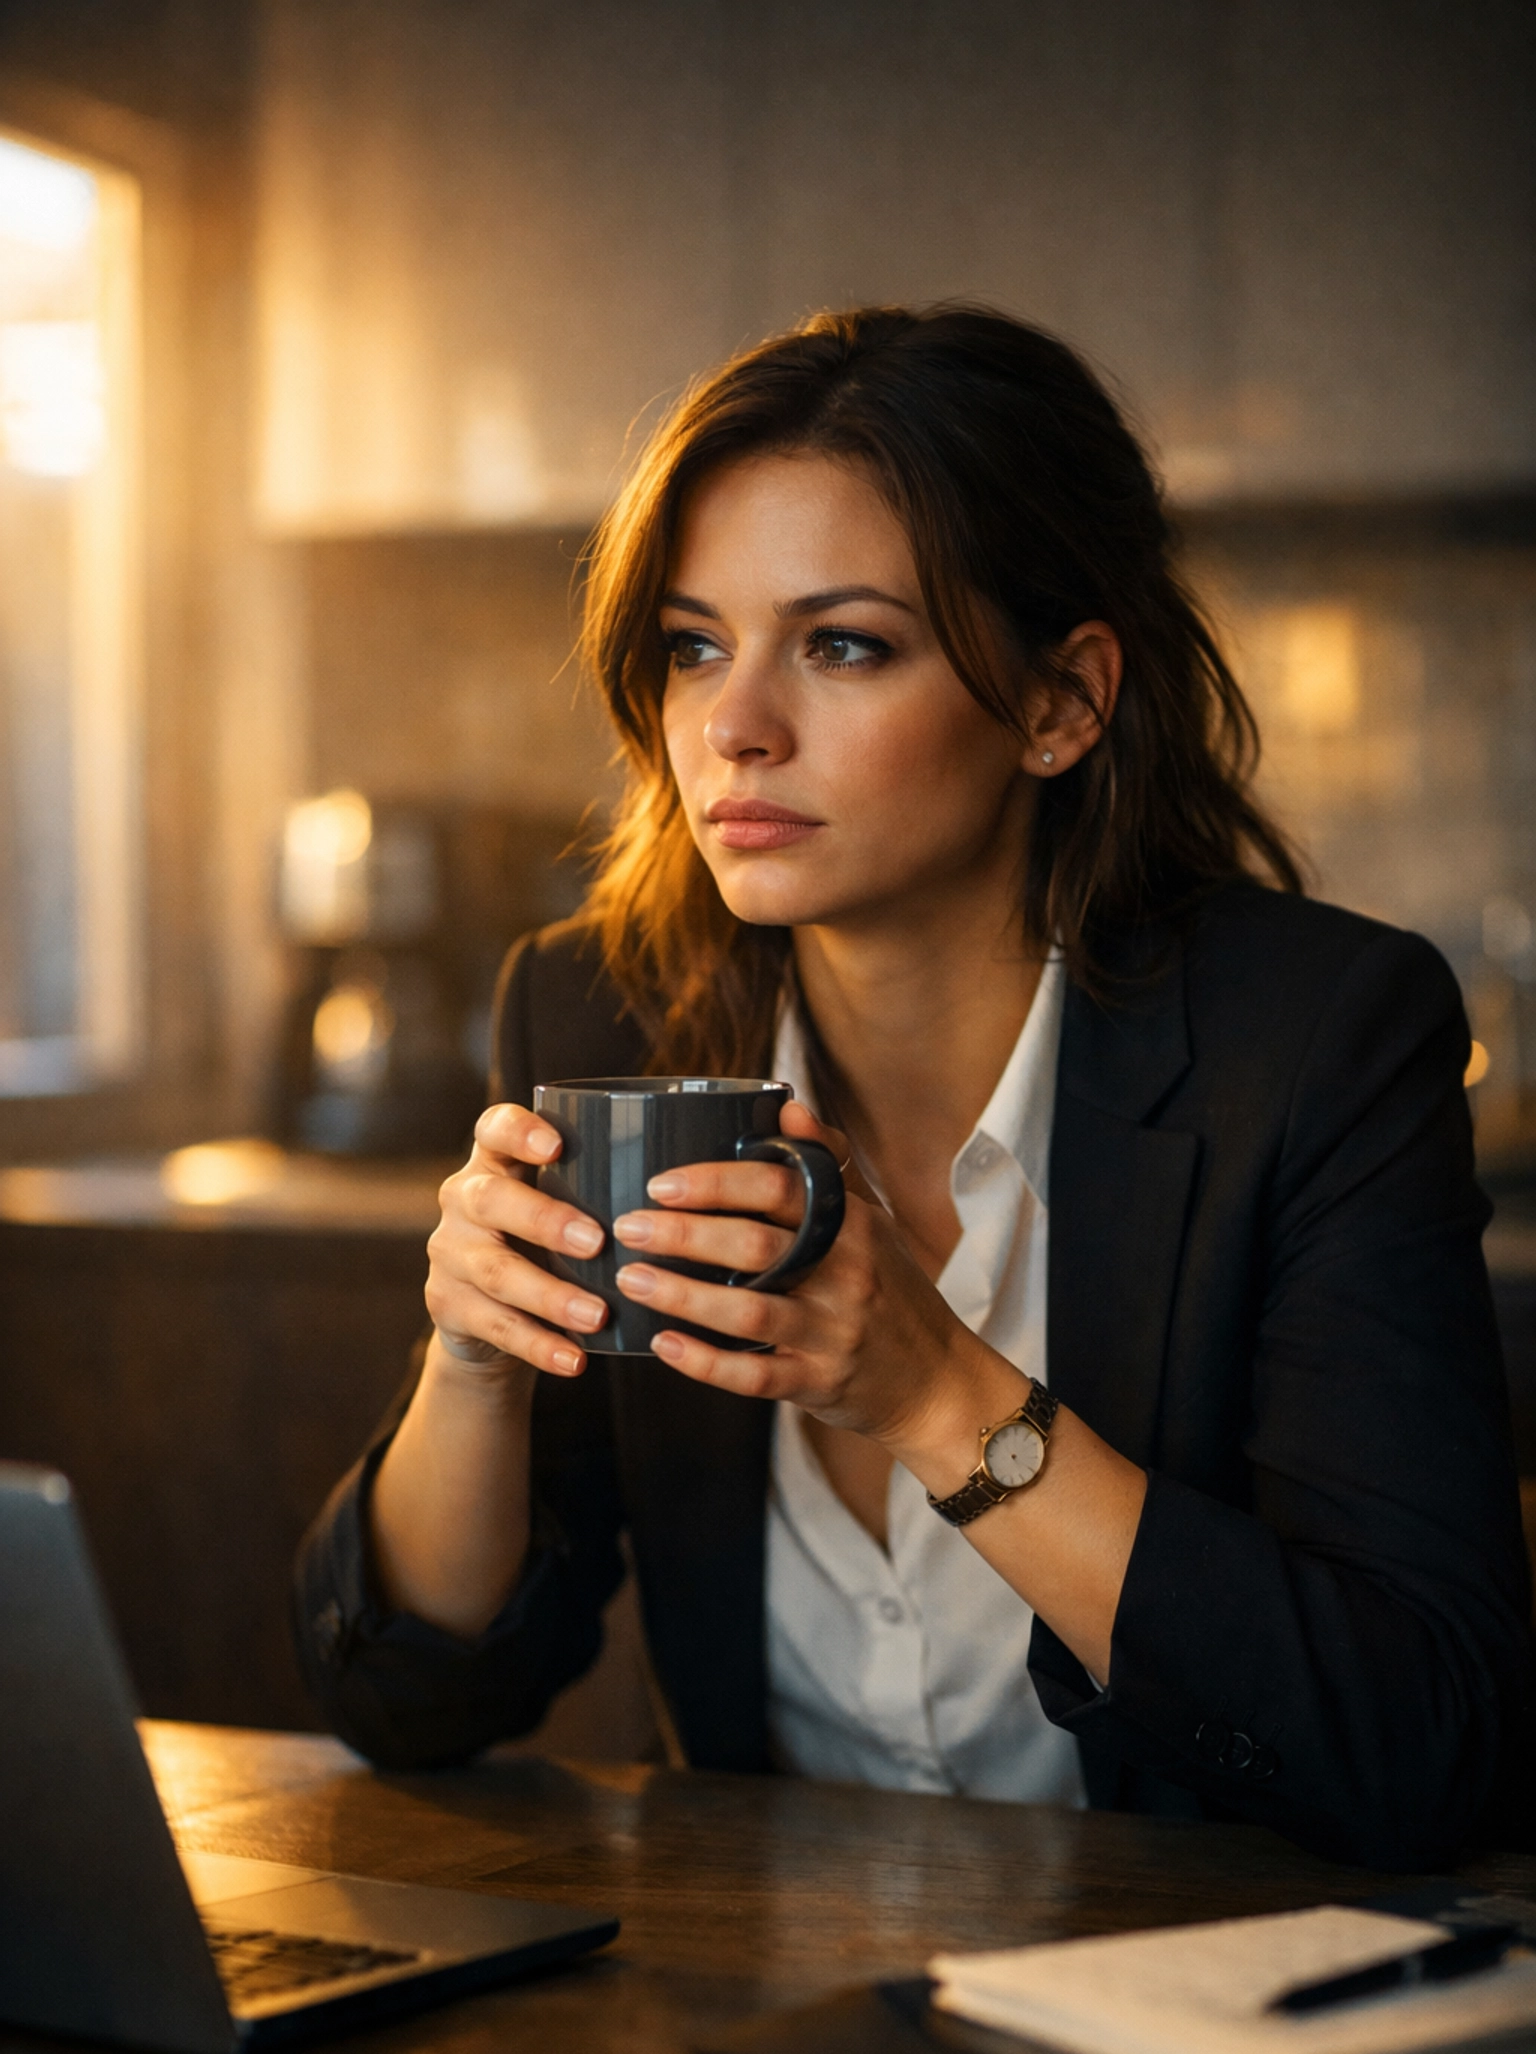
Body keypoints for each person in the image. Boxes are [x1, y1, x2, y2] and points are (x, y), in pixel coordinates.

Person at [295, 305, 1534, 1869]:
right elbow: (416, 1702)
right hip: (765, 2027)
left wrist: (935, 1395)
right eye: (694, 646)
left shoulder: (1314, 1041)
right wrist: (472, 1364)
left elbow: (1426, 1750)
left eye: (842, 644)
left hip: (1197, 2031)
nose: (732, 728)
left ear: (1061, 703)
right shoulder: (602, 1010)